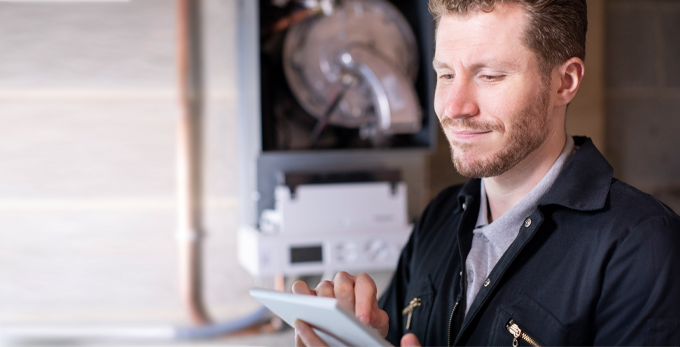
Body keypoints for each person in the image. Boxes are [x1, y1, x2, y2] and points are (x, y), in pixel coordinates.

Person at [292, 0, 680, 345]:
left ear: (565, 81)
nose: (455, 106)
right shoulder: (439, 216)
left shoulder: (642, 246)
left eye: (490, 75)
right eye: (445, 75)